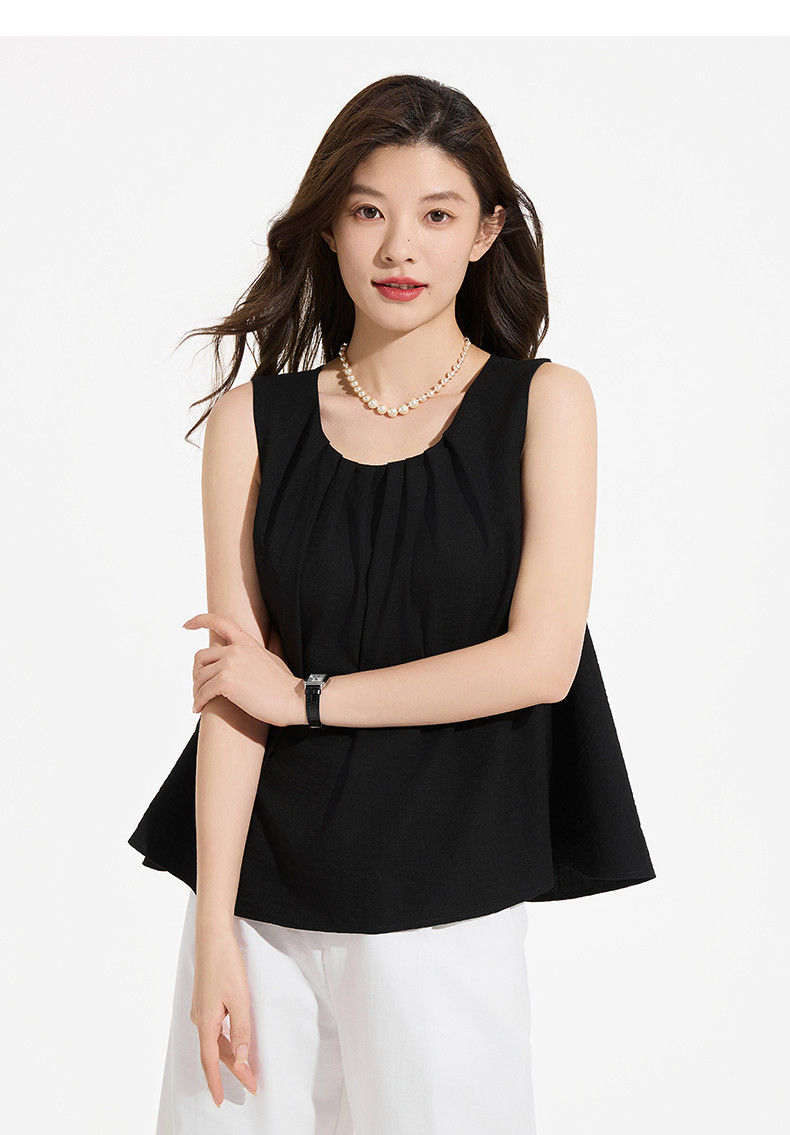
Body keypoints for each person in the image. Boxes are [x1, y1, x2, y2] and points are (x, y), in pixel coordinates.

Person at [128, 73, 656, 1135]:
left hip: (444, 905)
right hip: (262, 907)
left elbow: (539, 660)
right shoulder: (251, 422)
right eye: (368, 211)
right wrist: (214, 930)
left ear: (486, 231)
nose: (399, 248)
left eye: (437, 215)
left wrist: (307, 698)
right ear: (329, 225)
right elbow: (234, 689)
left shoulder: (544, 404)